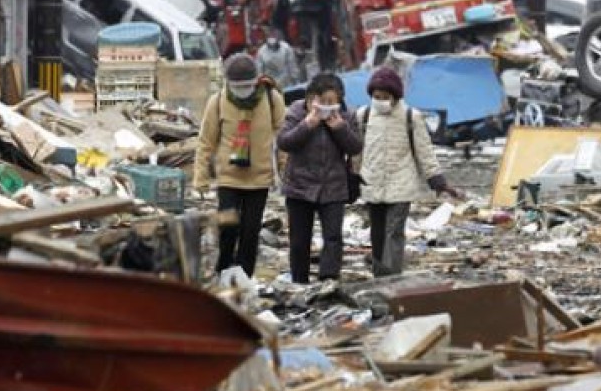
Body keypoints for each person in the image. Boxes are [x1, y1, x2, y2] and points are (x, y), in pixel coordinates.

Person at [358, 67, 461, 276]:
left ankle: (392, 275)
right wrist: (351, 179)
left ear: (395, 96)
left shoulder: (410, 117)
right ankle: (380, 275)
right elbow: (356, 152)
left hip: (401, 185)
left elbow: (424, 152)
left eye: (385, 97)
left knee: (394, 232)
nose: (381, 101)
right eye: (377, 97)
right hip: (372, 184)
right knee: (377, 233)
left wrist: (438, 182)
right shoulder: (364, 115)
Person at [194, 53, 286, 277]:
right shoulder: (217, 102)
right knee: (228, 227)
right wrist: (201, 178)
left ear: (256, 81)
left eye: (247, 86)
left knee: (250, 232)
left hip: (260, 178)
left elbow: (282, 135)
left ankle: (244, 277)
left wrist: (283, 169)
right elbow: (206, 142)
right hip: (229, 177)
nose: (242, 90)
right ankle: (223, 272)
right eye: (237, 86)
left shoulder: (272, 99)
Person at [276, 73, 362, 284]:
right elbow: (284, 142)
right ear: (310, 99)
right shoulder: (297, 111)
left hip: (333, 186)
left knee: (333, 238)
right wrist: (307, 124)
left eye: (331, 102)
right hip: (300, 185)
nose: (325, 107)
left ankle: (328, 280)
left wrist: (340, 128)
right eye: (320, 102)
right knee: (299, 241)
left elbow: (356, 147)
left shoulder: (347, 115)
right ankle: (299, 281)